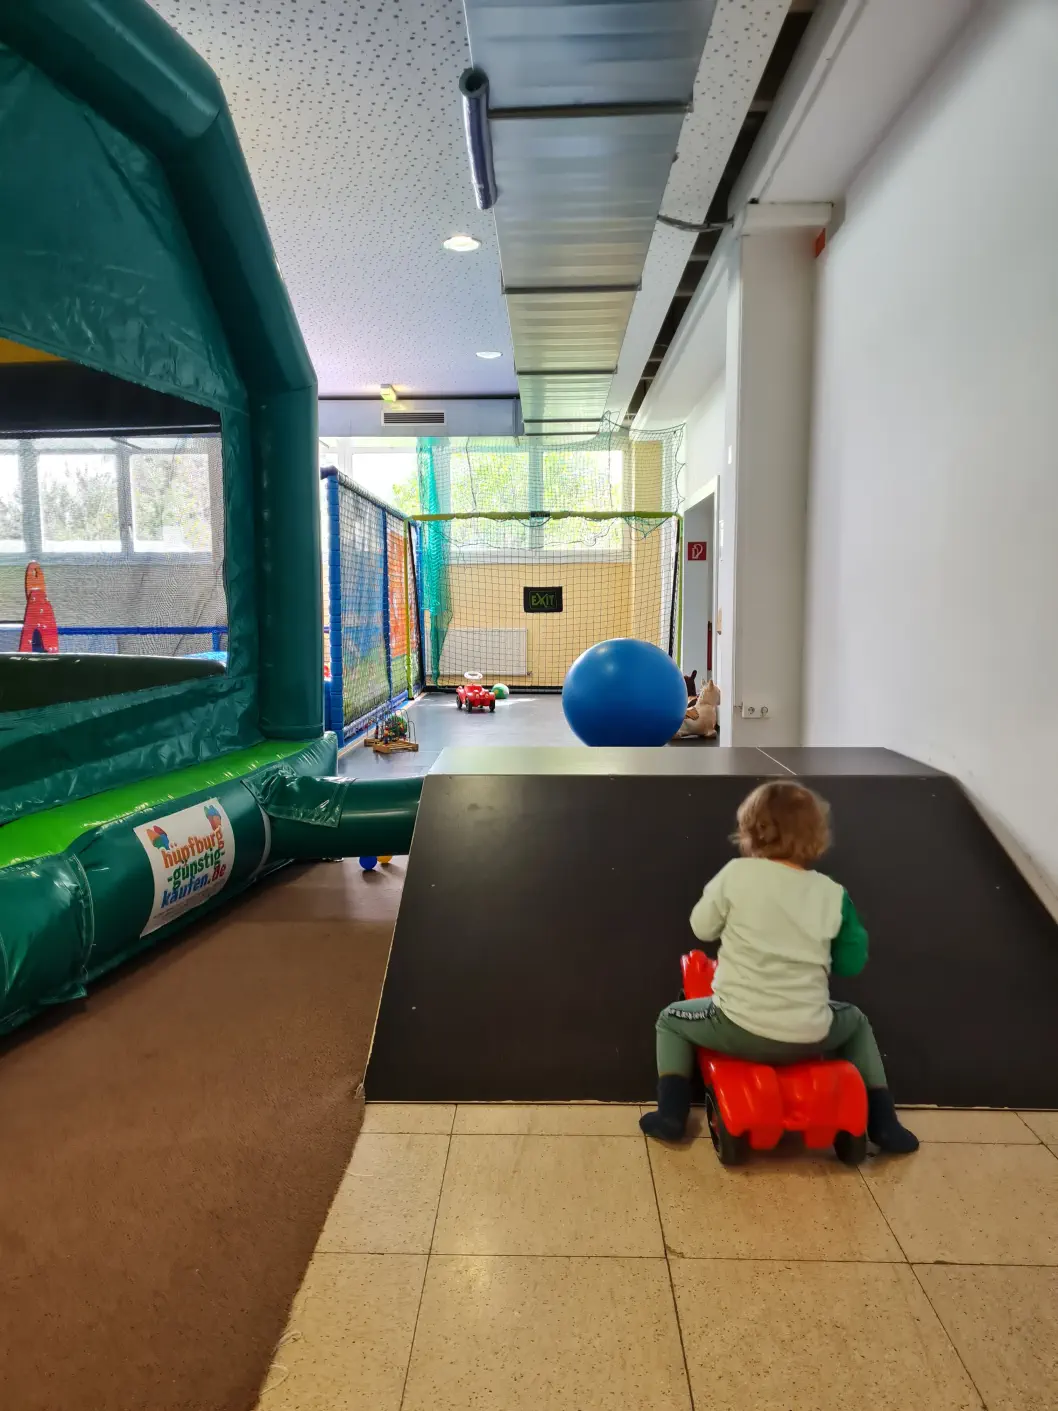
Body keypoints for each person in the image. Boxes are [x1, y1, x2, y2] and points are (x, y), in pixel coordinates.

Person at [640, 781, 919, 1154]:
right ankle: (884, 1123)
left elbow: (701, 927)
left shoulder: (736, 875)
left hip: (738, 1025)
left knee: (671, 1019)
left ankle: (671, 1115)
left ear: (751, 832)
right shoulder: (832, 893)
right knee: (856, 1021)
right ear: (816, 836)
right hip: (811, 1032)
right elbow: (851, 964)